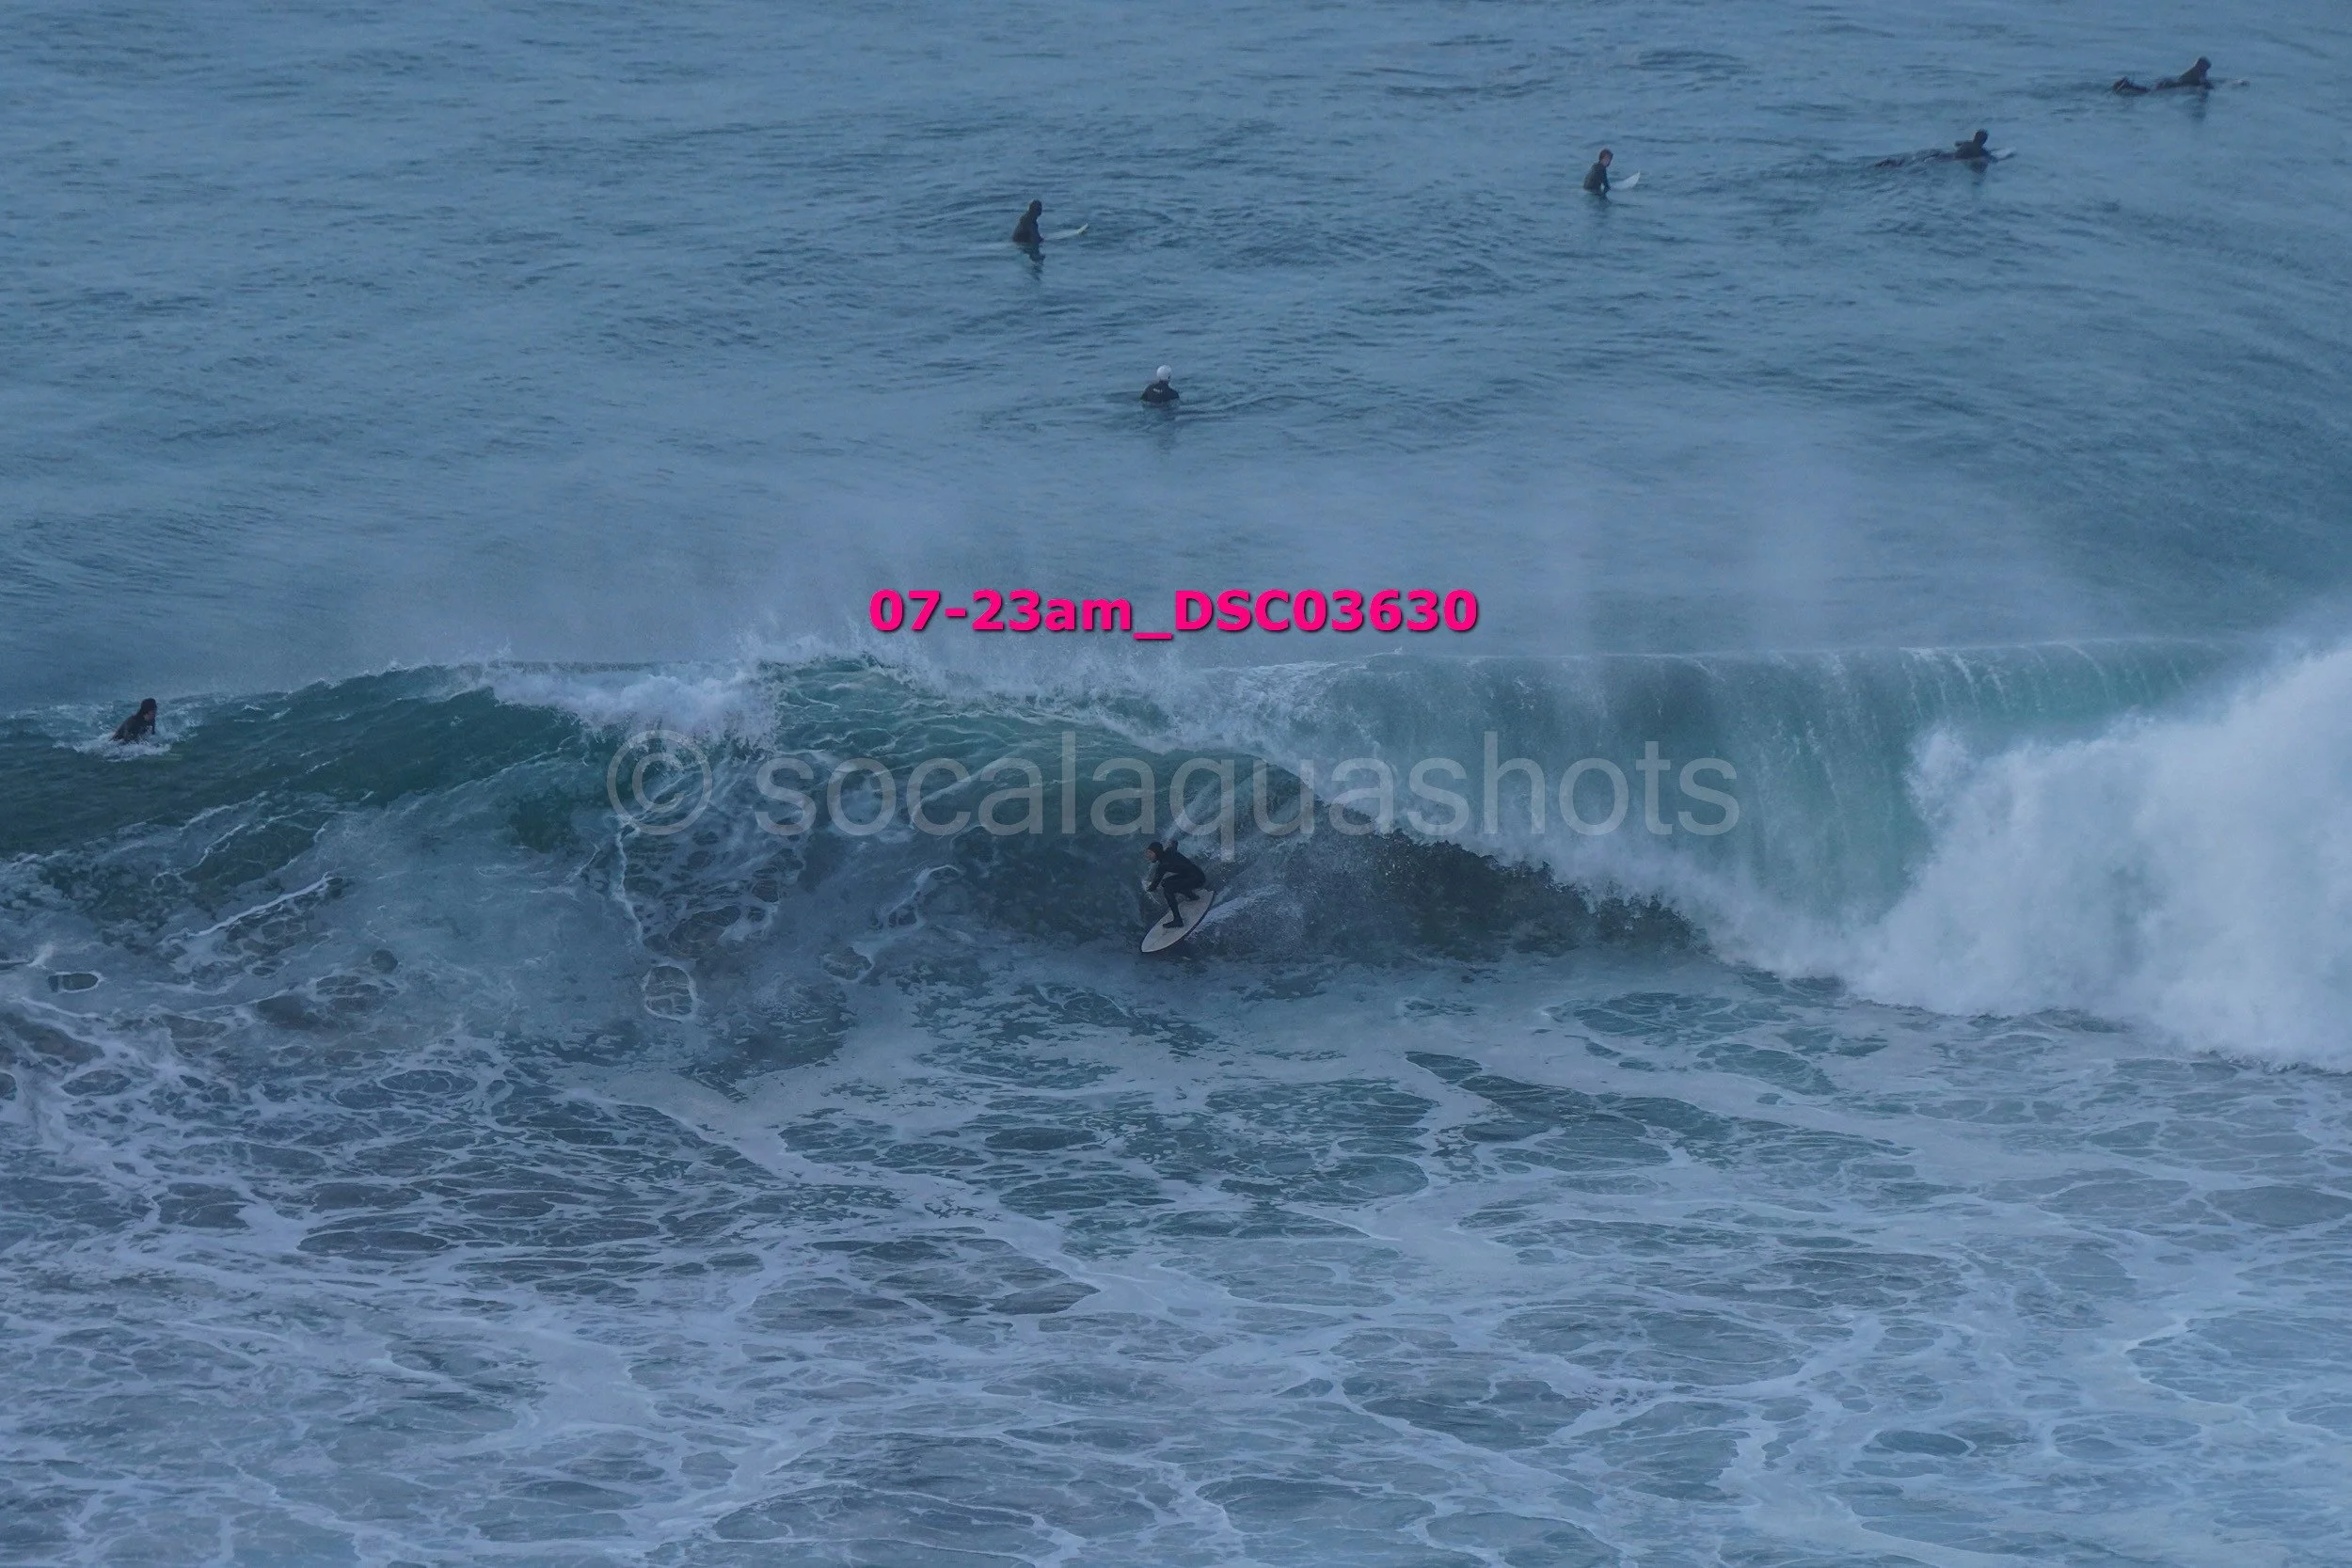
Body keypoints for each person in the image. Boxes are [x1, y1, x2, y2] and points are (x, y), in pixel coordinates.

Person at [1144, 840, 1207, 929]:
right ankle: (1192, 896)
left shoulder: (1163, 866)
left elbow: (1153, 886)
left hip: (1197, 880)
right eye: (1148, 852)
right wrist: (1170, 842)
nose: (1148, 856)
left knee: (1168, 890)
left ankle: (1178, 920)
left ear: (1157, 852)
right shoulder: (1170, 850)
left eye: (1150, 853)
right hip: (1197, 874)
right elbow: (1175, 842)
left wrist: (1145, 889)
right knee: (1166, 883)